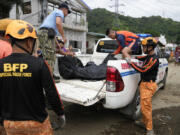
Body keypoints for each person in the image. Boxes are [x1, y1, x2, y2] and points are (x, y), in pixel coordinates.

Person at [0, 20, 65, 135]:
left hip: (10, 124)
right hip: (37, 122)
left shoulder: (1, 64)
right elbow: (51, 92)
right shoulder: (39, 64)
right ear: (29, 42)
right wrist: (60, 113)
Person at [126, 37, 159, 135]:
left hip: (148, 85)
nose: (143, 48)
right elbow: (141, 58)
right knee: (144, 106)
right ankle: (144, 123)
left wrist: (130, 63)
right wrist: (133, 57)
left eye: (144, 46)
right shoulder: (149, 56)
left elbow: (143, 70)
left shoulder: (153, 60)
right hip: (144, 84)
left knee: (146, 107)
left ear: (150, 47)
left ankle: (149, 129)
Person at [38, 2, 71, 82]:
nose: (66, 14)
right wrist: (63, 36)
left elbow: (53, 34)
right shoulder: (59, 12)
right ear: (64, 9)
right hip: (46, 33)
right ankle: (48, 78)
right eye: (67, 12)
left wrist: (58, 45)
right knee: (50, 56)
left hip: (45, 33)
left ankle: (45, 76)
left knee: (43, 55)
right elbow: (58, 23)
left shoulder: (52, 15)